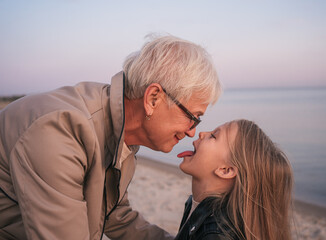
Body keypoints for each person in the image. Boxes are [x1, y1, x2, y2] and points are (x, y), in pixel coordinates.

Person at [0, 34, 222, 239]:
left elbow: (114, 215)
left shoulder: (121, 135)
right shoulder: (60, 131)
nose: (192, 131)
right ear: (153, 98)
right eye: (193, 116)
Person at [175, 119, 293, 240]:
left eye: (213, 136)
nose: (202, 133)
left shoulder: (216, 234)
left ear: (225, 170)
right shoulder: (196, 205)